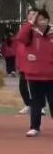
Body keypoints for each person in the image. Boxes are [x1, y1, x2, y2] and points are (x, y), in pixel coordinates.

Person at [17, 9, 53, 138]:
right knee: (36, 102)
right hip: (34, 75)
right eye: (39, 20)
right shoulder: (31, 33)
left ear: (48, 20)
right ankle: (34, 127)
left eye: (44, 19)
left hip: (51, 75)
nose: (42, 22)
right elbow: (20, 37)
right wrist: (30, 23)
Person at [17, 9, 38, 116]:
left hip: (34, 63)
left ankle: (38, 106)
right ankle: (28, 104)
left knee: (35, 86)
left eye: (34, 14)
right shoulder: (25, 28)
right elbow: (20, 43)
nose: (32, 16)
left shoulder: (38, 30)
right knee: (22, 86)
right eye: (31, 14)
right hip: (23, 63)